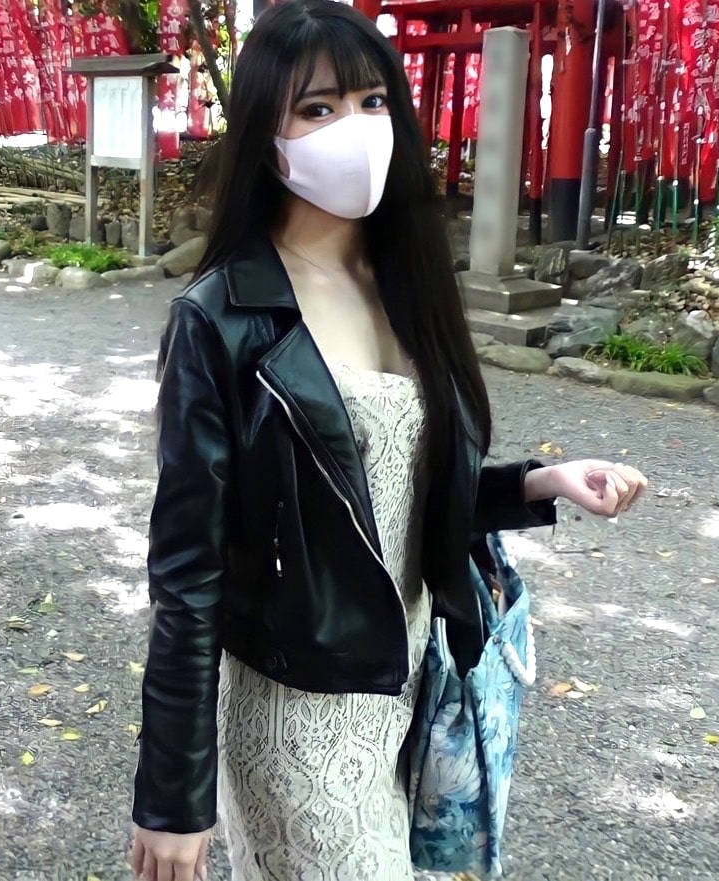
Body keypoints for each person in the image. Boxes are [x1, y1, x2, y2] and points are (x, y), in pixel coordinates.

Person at [130, 2, 648, 880]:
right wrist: (172, 796)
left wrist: (538, 482)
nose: (357, 128)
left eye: (372, 101)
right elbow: (186, 572)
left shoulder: (406, 279)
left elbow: (393, 493)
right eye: (317, 108)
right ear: (265, 139)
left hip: (413, 685)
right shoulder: (219, 317)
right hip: (301, 712)